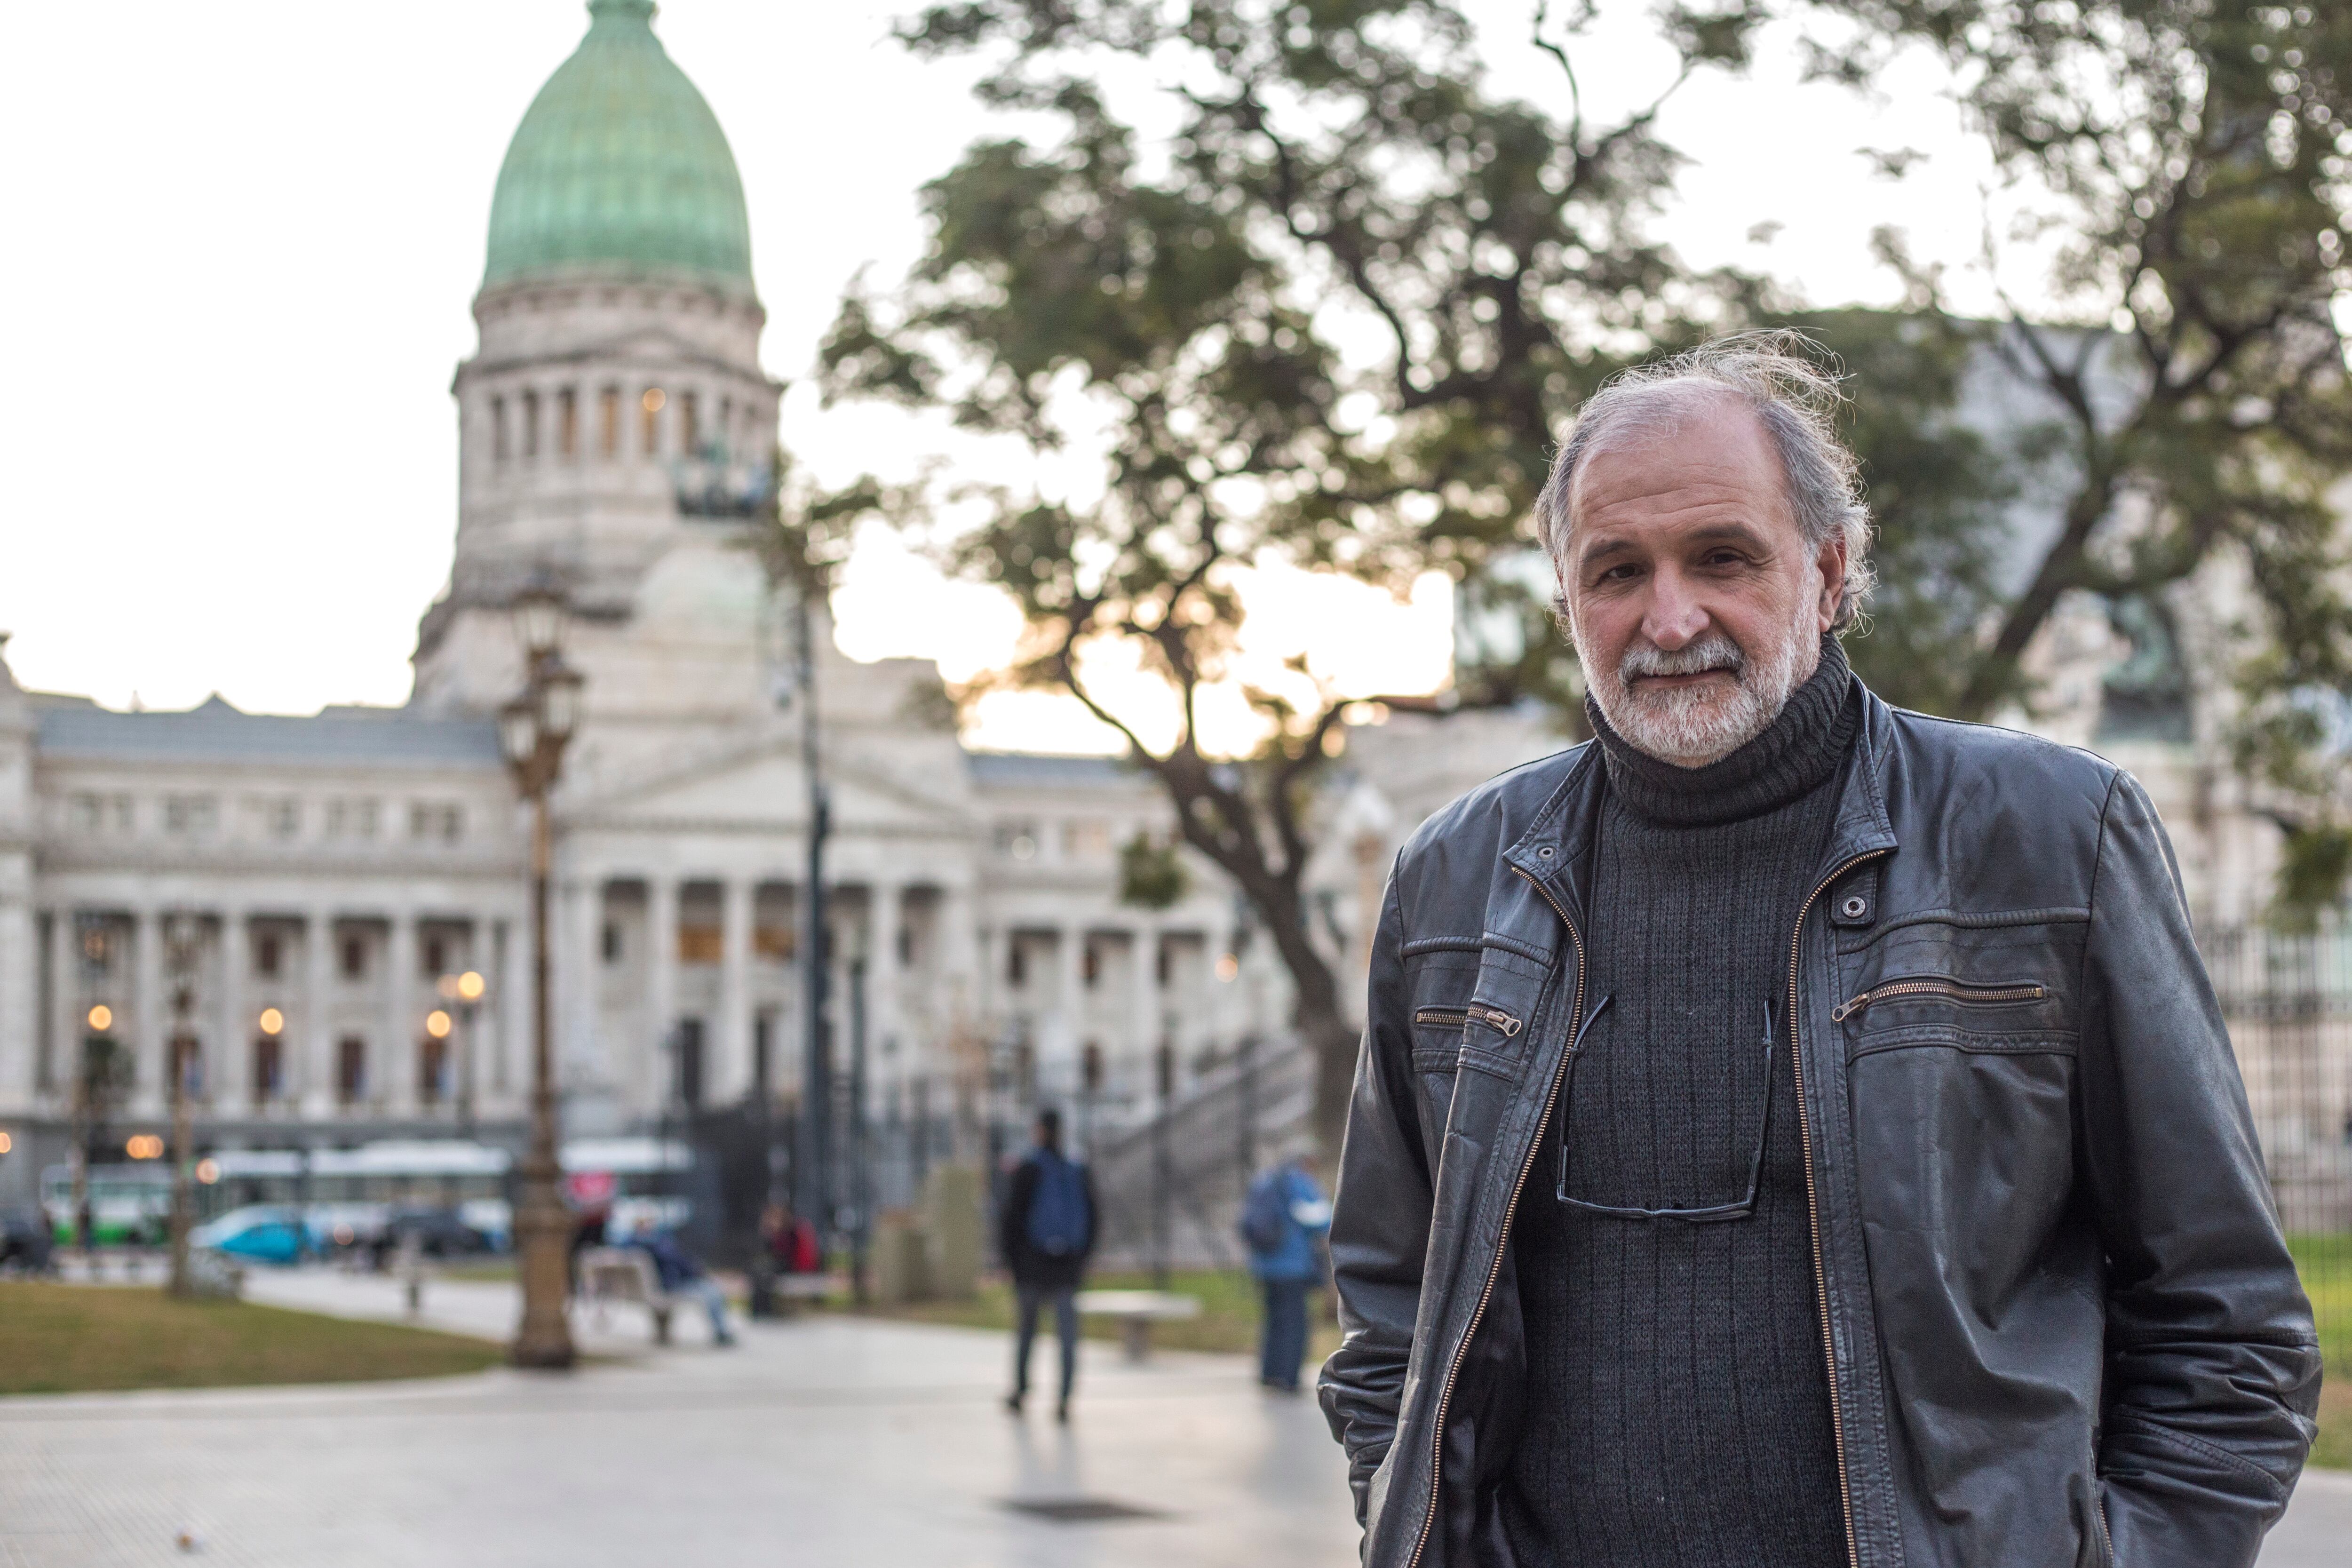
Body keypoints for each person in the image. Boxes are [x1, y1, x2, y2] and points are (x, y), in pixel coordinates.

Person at [1320, 334, 2320, 1568]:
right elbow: (1390, 1297)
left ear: (1832, 570)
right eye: (1617, 569)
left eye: (1724, 557)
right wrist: (1402, 1502)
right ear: (1567, 599)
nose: (1671, 615)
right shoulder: (1455, 876)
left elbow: (2226, 1314)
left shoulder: (2052, 836)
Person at [999, 1107, 1096, 1421]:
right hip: (1067, 1266)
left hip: (1032, 1265)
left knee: (1028, 1329)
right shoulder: (1075, 1169)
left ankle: (1022, 1389)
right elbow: (1094, 1219)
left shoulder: (1030, 1169)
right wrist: (1081, 1260)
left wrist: (1012, 1263)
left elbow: (1011, 1220)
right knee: (1067, 1335)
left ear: (1040, 1130)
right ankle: (1065, 1397)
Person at [1240, 1146, 1331, 1393]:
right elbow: (1321, 1219)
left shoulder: (1264, 1181)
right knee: (1295, 1323)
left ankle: (1269, 1373)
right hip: (1292, 1266)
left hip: (1265, 1266)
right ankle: (1289, 1378)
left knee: (1273, 1320)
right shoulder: (1298, 1183)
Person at [627, 1222, 735, 1347]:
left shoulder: (631, 1245)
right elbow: (680, 1264)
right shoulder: (658, 1245)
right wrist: (700, 1273)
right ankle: (721, 1332)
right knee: (712, 1291)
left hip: (663, 1286)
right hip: (669, 1287)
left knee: (709, 1288)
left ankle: (721, 1331)